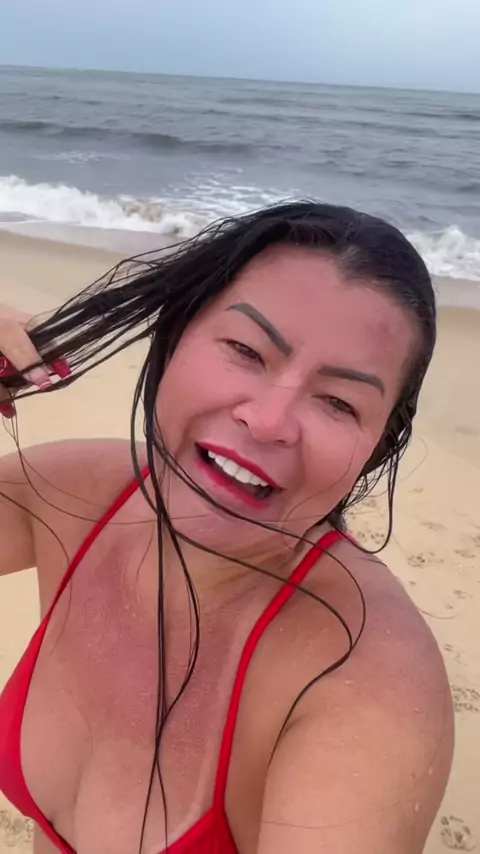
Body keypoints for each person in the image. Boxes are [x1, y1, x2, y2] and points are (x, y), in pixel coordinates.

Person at [0, 202, 453, 854]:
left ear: (375, 447)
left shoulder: (363, 684)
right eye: (246, 350)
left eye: (338, 402)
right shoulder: (72, 496)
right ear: (176, 334)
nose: (268, 421)